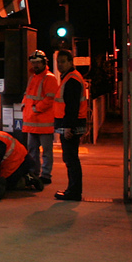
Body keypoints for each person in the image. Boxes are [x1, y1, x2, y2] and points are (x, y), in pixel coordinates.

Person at [54, 48, 88, 201]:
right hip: (73, 124)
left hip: (71, 126)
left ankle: (74, 192)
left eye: (62, 62)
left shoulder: (71, 80)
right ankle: (72, 190)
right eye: (58, 62)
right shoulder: (71, 77)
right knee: (70, 158)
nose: (60, 65)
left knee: (71, 159)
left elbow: (71, 106)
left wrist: (68, 127)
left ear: (70, 62)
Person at [21, 50, 59, 185]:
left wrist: (35, 109)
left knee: (46, 152)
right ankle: (34, 173)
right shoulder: (33, 78)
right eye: (33, 63)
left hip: (43, 122)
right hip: (32, 122)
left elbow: (50, 98)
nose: (35, 65)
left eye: (37, 63)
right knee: (32, 150)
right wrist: (24, 105)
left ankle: (46, 175)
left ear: (44, 63)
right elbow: (28, 95)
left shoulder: (49, 78)